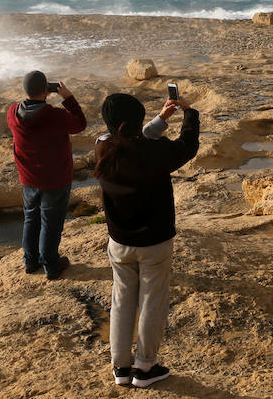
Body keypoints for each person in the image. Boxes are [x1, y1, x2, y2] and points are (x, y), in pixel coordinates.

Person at [94, 92, 199, 388]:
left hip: (119, 243)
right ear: (135, 122)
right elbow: (187, 146)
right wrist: (189, 114)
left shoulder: (103, 146)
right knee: (152, 301)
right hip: (154, 242)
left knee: (122, 301)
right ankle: (145, 367)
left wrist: (161, 119)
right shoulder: (154, 151)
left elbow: (130, 137)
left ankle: (121, 369)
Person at [7, 70, 87, 280]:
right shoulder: (54, 115)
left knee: (31, 218)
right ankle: (50, 265)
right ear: (46, 90)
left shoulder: (12, 113)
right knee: (51, 222)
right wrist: (68, 98)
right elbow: (80, 124)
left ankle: (30, 261)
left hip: (28, 179)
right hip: (55, 179)